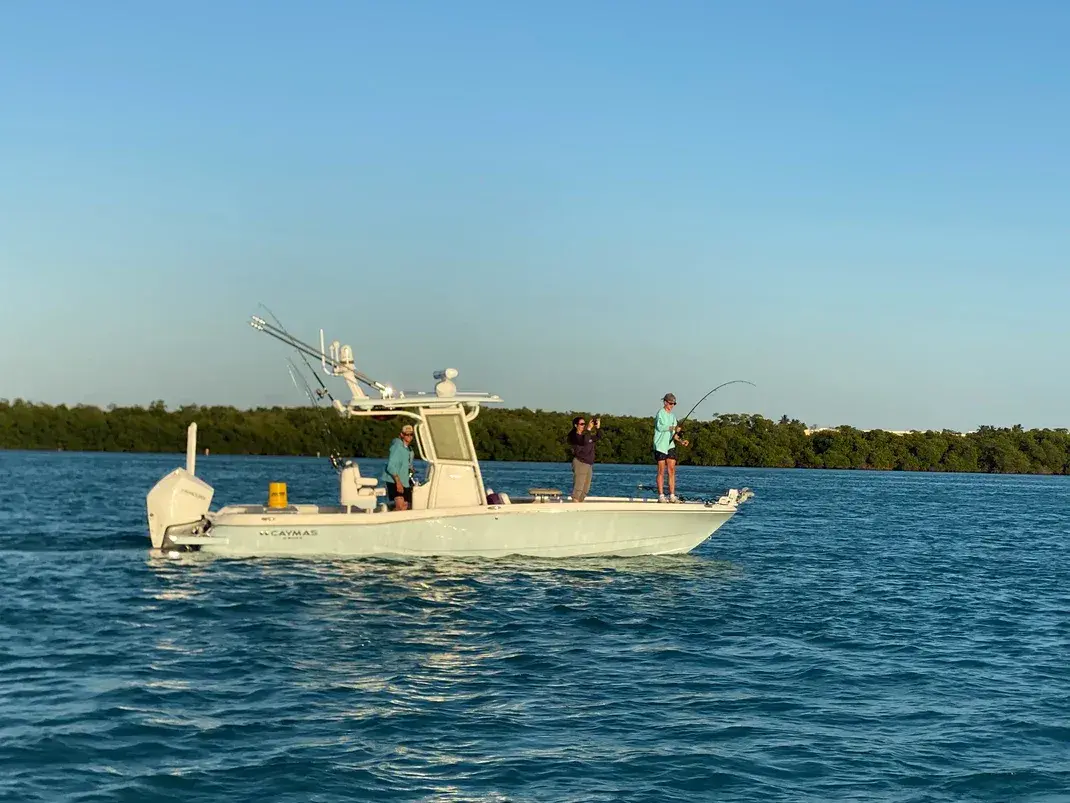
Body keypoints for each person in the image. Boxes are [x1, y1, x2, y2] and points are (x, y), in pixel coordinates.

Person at [653, 393, 688, 502]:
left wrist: (681, 441)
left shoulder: (673, 416)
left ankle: (672, 495)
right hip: (660, 445)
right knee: (661, 471)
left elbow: (674, 434)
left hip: (670, 445)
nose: (672, 405)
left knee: (672, 470)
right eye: (670, 403)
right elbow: (660, 427)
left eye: (674, 404)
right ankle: (661, 495)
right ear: (665, 402)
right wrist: (673, 428)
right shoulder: (660, 413)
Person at [566, 415, 602, 502]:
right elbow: (584, 441)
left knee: (586, 488)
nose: (583, 426)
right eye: (581, 424)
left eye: (584, 424)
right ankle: (575, 500)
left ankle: (579, 501)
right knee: (579, 486)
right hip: (580, 462)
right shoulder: (575, 437)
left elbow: (598, 437)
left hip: (588, 463)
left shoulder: (586, 436)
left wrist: (598, 428)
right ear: (576, 425)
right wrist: (588, 429)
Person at [381, 423, 415, 510]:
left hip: (405, 482)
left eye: (411, 434)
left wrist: (411, 469)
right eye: (406, 434)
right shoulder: (397, 447)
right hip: (394, 481)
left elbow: (407, 464)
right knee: (400, 507)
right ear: (402, 435)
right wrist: (398, 483)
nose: (409, 436)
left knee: (407, 506)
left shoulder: (409, 449)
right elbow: (390, 466)